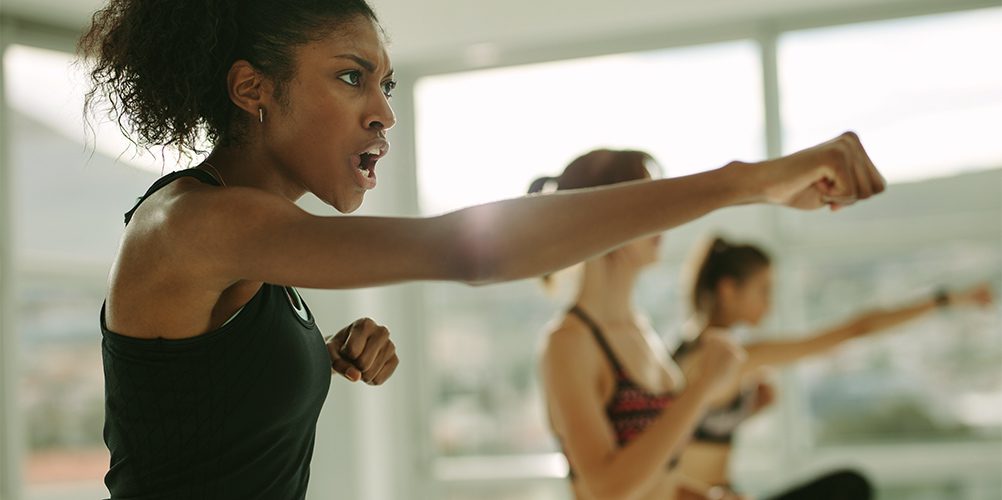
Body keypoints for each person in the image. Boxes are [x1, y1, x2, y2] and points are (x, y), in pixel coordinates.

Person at [78, 0, 886, 498]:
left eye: (386, 85)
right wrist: (742, 181)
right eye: (352, 77)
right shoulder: (188, 225)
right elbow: (472, 253)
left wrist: (314, 354)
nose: (383, 114)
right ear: (253, 88)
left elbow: (184, 414)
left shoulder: (255, 245)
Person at [672, 236, 995, 500]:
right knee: (849, 487)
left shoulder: (690, 350)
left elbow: (693, 432)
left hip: (726, 493)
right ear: (729, 290)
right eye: (764, 290)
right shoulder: (733, 356)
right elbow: (856, 329)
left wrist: (751, 408)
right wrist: (943, 301)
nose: (770, 303)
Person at [535, 150, 753, 500]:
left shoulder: (640, 329)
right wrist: (703, 386)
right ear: (600, 218)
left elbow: (658, 478)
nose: (661, 221)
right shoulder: (569, 343)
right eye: (644, 206)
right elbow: (607, 488)